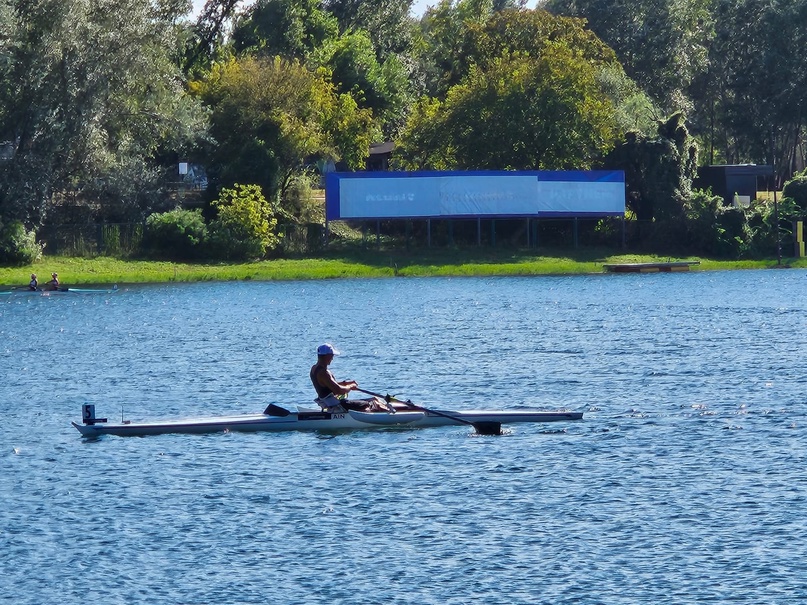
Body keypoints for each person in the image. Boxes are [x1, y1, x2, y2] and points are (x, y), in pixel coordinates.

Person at [310, 343, 394, 413]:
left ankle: (386, 409)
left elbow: (328, 385)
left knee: (373, 399)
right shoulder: (324, 372)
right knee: (373, 402)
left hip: (331, 402)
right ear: (327, 356)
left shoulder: (314, 369)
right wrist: (349, 387)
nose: (332, 358)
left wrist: (345, 383)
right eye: (332, 355)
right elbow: (338, 390)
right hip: (338, 405)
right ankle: (390, 414)